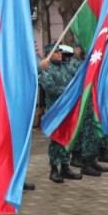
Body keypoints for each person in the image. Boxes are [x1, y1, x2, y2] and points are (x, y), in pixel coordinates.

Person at [38, 45, 89, 179]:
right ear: (49, 54)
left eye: (60, 52)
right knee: (56, 139)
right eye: (55, 52)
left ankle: (65, 166)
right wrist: (69, 90)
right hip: (55, 109)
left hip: (68, 108)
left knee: (66, 137)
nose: (59, 54)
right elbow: (50, 88)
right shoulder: (47, 69)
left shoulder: (66, 67)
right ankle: (54, 169)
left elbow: (79, 76)